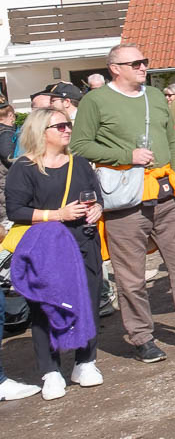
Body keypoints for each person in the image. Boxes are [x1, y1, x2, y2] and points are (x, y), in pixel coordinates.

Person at [70, 43, 175, 362]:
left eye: (144, 61)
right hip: (125, 199)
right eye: (135, 63)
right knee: (131, 276)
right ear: (114, 68)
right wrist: (125, 156)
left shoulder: (155, 96)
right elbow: (79, 145)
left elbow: (171, 139)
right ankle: (142, 337)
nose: (143, 67)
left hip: (167, 194)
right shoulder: (95, 101)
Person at [6, 108, 105, 399]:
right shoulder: (24, 168)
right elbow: (16, 210)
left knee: (88, 300)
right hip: (47, 249)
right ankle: (50, 371)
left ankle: (86, 362)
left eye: (68, 124)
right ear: (41, 131)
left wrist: (98, 209)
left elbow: (96, 196)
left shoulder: (80, 163)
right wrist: (57, 214)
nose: (67, 129)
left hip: (83, 241)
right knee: (44, 307)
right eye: (59, 126)